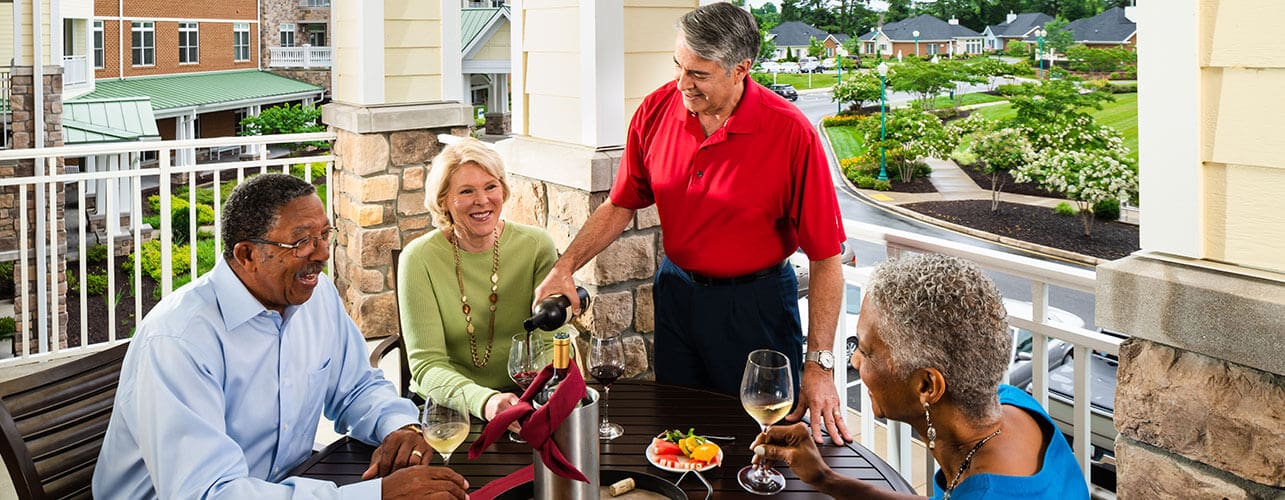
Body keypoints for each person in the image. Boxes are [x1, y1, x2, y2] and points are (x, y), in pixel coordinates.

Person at [533, 2, 852, 445]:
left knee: (761, 441)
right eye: (679, 67)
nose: (683, 83)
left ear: (741, 68)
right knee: (680, 429)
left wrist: (818, 366)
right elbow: (620, 205)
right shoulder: (655, 110)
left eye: (699, 74)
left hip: (755, 307)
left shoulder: (791, 133)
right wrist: (563, 266)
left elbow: (826, 257)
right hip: (677, 295)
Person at [93, 174, 468, 499]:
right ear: (246, 254)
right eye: (301, 242)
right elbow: (209, 493)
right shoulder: (179, 341)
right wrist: (375, 496)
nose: (322, 253)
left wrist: (398, 425)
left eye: (325, 234)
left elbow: (356, 388)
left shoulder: (315, 296)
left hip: (288, 483)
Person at [751, 254, 1089, 499]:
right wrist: (826, 479)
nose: (853, 359)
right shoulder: (1012, 404)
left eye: (867, 351)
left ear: (927, 386)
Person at [399, 138, 569, 424]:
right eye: (466, 191)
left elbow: (549, 343)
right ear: (443, 201)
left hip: (525, 399)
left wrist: (546, 395)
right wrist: (486, 402)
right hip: (448, 408)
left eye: (491, 186)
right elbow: (428, 366)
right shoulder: (418, 259)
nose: (482, 200)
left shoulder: (536, 245)